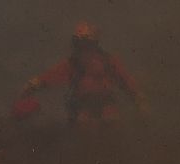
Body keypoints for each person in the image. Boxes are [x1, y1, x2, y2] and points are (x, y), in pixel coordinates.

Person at [16, 22, 146, 125]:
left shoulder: (108, 61)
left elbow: (126, 80)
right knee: (84, 126)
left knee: (112, 122)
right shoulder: (72, 64)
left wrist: (139, 99)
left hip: (107, 103)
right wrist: (32, 85)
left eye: (86, 44)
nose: (83, 48)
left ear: (94, 44)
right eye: (79, 44)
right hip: (83, 105)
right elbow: (50, 76)